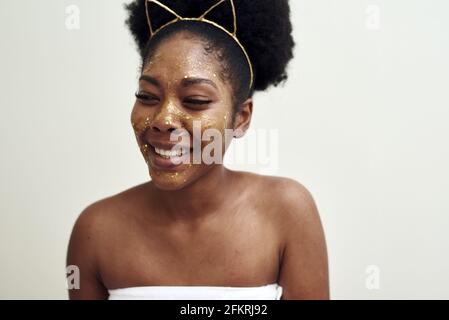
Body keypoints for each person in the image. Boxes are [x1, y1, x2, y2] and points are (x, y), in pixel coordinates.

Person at [67, 0, 329, 300]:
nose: (163, 121)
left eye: (195, 100)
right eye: (147, 96)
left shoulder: (286, 213)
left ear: (241, 118)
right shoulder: (96, 232)